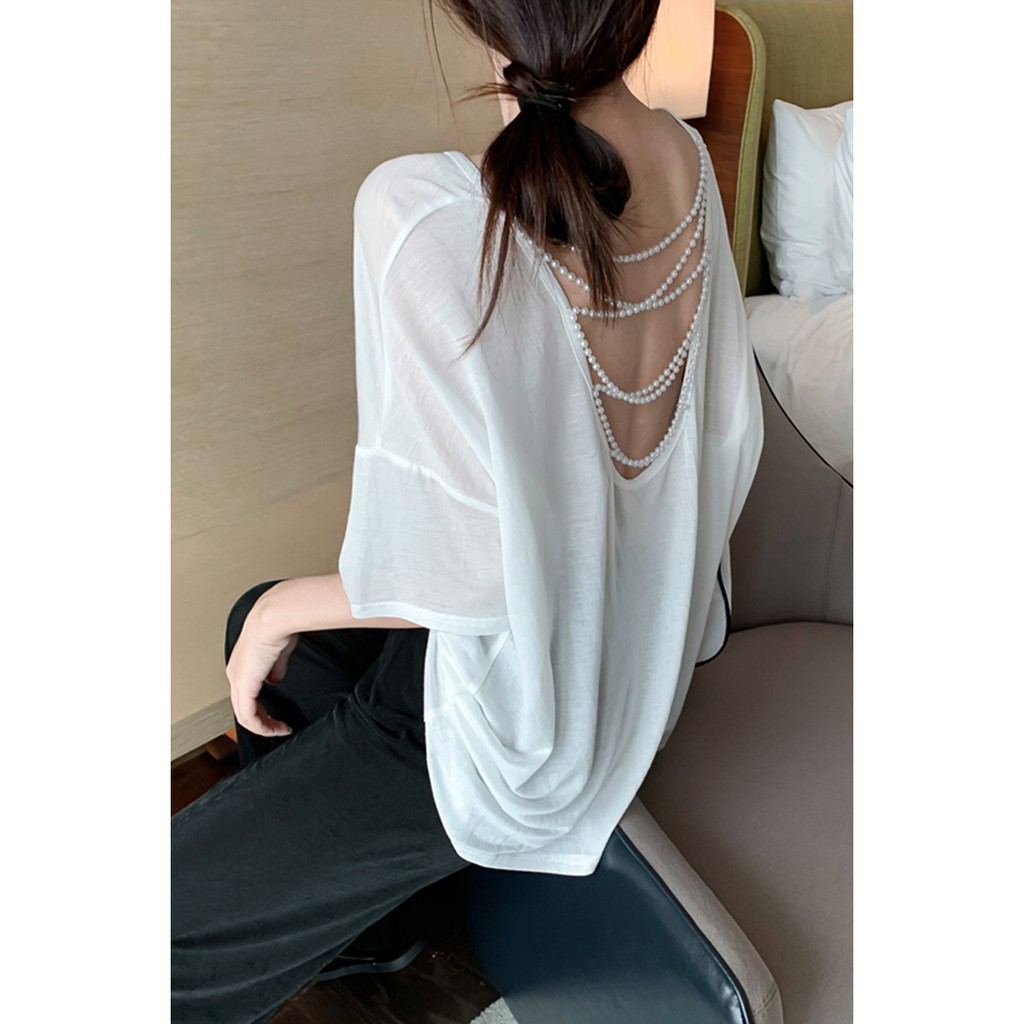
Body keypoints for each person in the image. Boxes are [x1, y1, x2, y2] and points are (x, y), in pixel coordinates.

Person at [171, 1, 764, 1021]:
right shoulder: (684, 157)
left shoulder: (426, 213)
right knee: (262, 625)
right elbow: (717, 449)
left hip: (515, 719)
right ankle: (375, 930)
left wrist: (283, 611)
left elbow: (465, 567)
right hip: (627, 653)